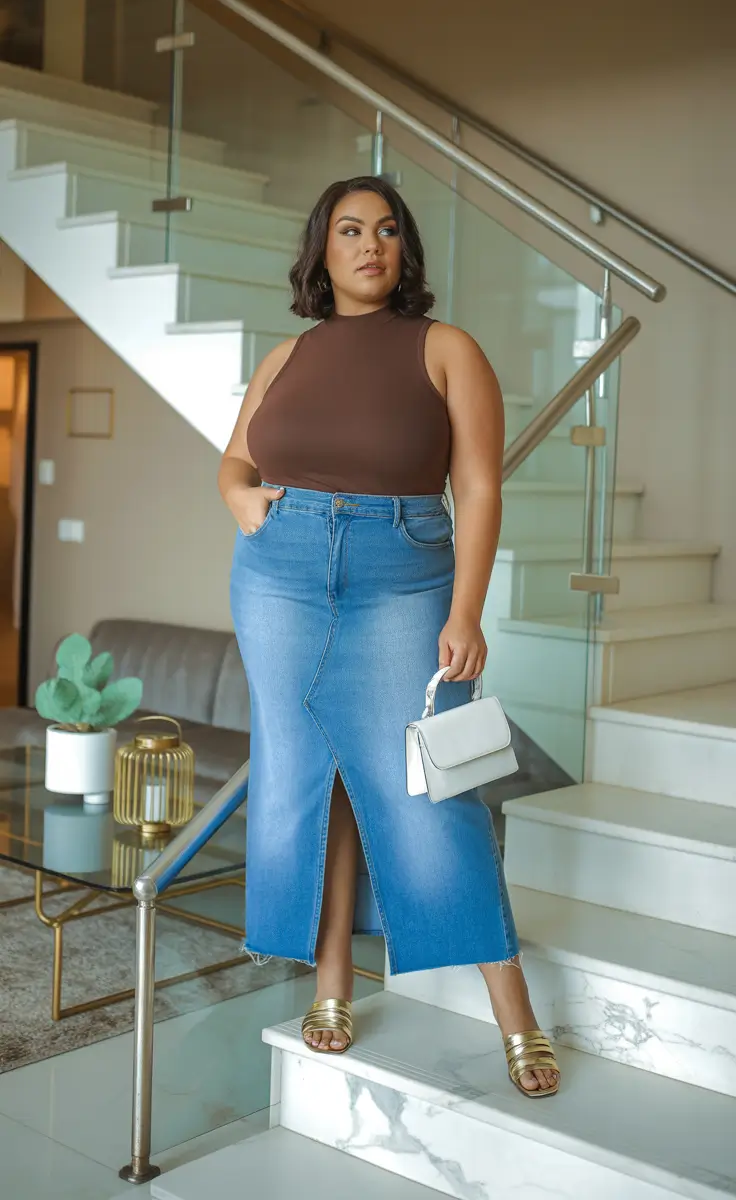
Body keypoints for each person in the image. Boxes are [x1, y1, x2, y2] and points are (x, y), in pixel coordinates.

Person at [218, 176, 560, 1098]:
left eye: (388, 230)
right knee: (307, 776)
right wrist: (241, 496)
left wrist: (467, 610)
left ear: (404, 250)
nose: (372, 244)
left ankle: (515, 1012)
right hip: (278, 575)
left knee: (434, 789)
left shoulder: (446, 349)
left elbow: (480, 488)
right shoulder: (287, 354)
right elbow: (236, 457)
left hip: (404, 572)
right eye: (350, 230)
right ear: (321, 252)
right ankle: (330, 982)